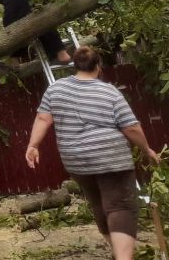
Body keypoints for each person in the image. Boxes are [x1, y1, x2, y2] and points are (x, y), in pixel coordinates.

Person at [25, 46, 161, 260]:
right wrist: (147, 150)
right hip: (110, 156)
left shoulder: (56, 89)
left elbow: (43, 118)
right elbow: (131, 128)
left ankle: (118, 253)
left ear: (75, 66)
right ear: (98, 67)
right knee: (120, 206)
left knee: (98, 202)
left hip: (77, 160)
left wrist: (33, 145)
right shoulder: (109, 92)